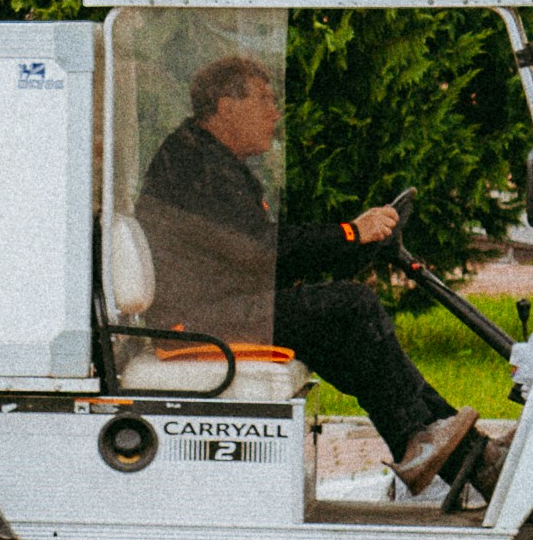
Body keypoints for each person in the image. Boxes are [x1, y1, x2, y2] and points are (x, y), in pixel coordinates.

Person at [136, 53, 480, 493]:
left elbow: (254, 252)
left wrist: (352, 245)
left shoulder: (207, 158)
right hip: (195, 321)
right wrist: (350, 233)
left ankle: (458, 453)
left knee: (347, 335)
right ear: (226, 106)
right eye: (264, 100)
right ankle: (430, 441)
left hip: (215, 307)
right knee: (351, 307)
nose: (274, 113)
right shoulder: (195, 164)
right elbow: (261, 250)